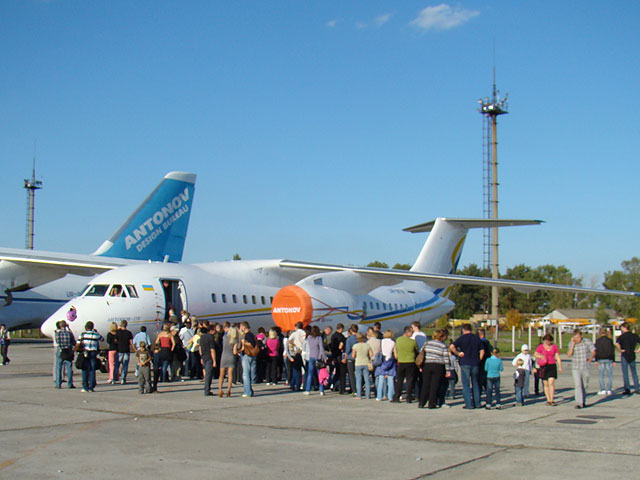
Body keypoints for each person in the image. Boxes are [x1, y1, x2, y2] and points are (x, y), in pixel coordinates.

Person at [450, 323, 484, 409]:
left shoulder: (461, 338)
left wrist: (458, 353)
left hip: (465, 362)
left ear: (463, 330)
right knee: (475, 383)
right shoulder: (476, 338)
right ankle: (477, 403)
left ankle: (468, 404)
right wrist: (479, 359)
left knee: (466, 384)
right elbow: (482, 350)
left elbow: (452, 346)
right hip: (475, 362)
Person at [418, 329, 451, 409]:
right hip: (438, 365)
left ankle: (422, 402)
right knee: (435, 385)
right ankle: (432, 403)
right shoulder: (443, 346)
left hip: (427, 364)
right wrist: (447, 371)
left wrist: (420, 366)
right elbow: (446, 359)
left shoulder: (427, 343)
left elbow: (422, 354)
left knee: (425, 384)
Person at [566, 329, 595, 409]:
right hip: (576, 366)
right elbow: (569, 354)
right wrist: (572, 344)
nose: (577, 339)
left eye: (578, 337)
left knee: (585, 385)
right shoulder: (572, 343)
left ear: (581, 336)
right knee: (578, 384)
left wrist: (591, 358)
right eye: (575, 337)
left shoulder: (587, 342)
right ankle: (578, 402)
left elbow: (593, 351)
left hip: (585, 365)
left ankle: (583, 401)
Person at [535, 333, 562, 406]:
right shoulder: (541, 347)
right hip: (544, 366)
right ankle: (548, 399)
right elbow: (535, 354)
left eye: (548, 341)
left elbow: (557, 356)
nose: (547, 342)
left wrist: (560, 366)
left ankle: (552, 399)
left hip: (552, 365)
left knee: (551, 382)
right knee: (545, 383)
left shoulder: (554, 347)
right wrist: (541, 356)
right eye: (546, 341)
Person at [392, 326, 418, 403]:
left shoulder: (398, 340)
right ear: (407, 332)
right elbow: (416, 349)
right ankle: (409, 397)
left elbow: (396, 349)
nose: (412, 334)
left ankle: (397, 396)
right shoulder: (412, 342)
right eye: (411, 332)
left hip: (401, 362)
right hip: (410, 362)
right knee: (409, 380)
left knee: (399, 380)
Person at [77, 321, 103, 393]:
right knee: (92, 369)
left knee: (84, 369)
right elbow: (102, 339)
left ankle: (85, 386)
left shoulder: (83, 335)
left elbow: (78, 343)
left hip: (85, 352)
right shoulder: (95, 334)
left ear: (86, 327)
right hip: (93, 352)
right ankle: (91, 387)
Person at [615, 322, 640, 395]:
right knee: (634, 372)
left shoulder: (622, 336)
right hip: (632, 354)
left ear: (624, 328)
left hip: (624, 354)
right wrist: (638, 349)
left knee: (625, 373)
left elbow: (617, 344)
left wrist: (620, 350)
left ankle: (627, 388)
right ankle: (637, 388)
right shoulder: (634, 336)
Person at [305, 326, 327, 396]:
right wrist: (324, 357)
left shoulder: (309, 338)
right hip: (318, 357)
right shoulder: (319, 338)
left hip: (311, 356)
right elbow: (321, 348)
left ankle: (307, 390)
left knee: (310, 374)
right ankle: (321, 390)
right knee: (320, 375)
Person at [375, 330, 396, 401]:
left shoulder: (381, 342)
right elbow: (395, 353)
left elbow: (378, 351)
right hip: (390, 360)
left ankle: (379, 396)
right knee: (390, 380)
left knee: (381, 380)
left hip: (382, 361)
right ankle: (390, 396)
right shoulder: (393, 342)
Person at [54, 320, 75, 389]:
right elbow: (73, 341)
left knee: (59, 367)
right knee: (69, 367)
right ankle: (70, 383)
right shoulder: (69, 333)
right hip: (68, 350)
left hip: (60, 350)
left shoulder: (58, 333)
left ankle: (58, 384)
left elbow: (57, 341)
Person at [219, 325, 239, 397]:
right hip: (231, 357)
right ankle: (228, 390)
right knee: (230, 375)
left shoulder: (225, 338)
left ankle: (220, 389)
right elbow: (234, 352)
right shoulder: (235, 340)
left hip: (224, 356)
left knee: (221, 375)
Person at [352, 333, 373, 399]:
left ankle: (359, 395)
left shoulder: (355, 346)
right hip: (366, 362)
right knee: (367, 379)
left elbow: (353, 356)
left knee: (358, 379)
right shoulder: (367, 345)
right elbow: (371, 355)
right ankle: (368, 395)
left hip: (358, 363)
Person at [239, 321, 257, 398]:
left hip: (247, 355)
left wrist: (244, 342)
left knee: (246, 374)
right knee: (248, 373)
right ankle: (249, 390)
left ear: (244, 327)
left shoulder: (248, 335)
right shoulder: (251, 334)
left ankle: (247, 392)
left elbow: (251, 344)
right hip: (249, 355)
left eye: (240, 327)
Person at [595, 327, 615, 395]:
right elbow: (612, 351)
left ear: (600, 333)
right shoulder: (610, 341)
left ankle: (602, 389)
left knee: (601, 375)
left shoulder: (598, 341)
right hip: (609, 358)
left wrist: (596, 360)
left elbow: (596, 351)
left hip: (600, 359)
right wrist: (613, 360)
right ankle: (609, 389)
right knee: (609, 375)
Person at [115, 320, 134, 384]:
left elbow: (115, 340)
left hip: (119, 350)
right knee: (125, 365)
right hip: (126, 350)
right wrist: (134, 349)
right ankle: (123, 379)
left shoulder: (117, 332)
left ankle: (114, 378)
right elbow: (131, 342)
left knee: (117, 365)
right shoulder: (129, 333)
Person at [199, 325, 216, 396]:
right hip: (209, 357)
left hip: (204, 357)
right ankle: (207, 390)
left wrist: (201, 357)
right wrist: (214, 360)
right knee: (209, 374)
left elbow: (200, 348)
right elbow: (212, 350)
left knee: (206, 373)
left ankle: (207, 389)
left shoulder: (201, 338)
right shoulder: (210, 338)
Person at [330, 324, 346, 394]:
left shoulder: (333, 336)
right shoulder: (341, 337)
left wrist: (334, 357)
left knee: (337, 372)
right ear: (341, 329)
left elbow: (332, 347)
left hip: (335, 356)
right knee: (342, 373)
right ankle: (341, 387)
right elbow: (341, 347)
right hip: (340, 355)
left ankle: (333, 384)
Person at [477, 328, 493, 394]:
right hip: (487, 363)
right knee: (486, 382)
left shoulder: (481, 342)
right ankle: (488, 399)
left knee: (479, 382)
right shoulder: (487, 342)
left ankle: (478, 399)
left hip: (481, 363)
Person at [344, 324, 359, 395]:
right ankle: (359, 388)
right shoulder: (360, 338)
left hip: (350, 358)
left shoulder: (349, 339)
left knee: (351, 375)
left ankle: (354, 389)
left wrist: (344, 358)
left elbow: (347, 350)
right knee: (358, 374)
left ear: (350, 330)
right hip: (358, 358)